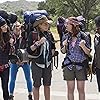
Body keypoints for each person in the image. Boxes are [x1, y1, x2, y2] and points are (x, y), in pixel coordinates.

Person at [61, 17, 91, 100]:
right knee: (70, 90)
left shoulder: (84, 36)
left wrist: (83, 46)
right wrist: (64, 45)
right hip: (68, 66)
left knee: (81, 89)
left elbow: (88, 52)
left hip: (80, 66)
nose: (66, 25)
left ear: (73, 25)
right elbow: (63, 51)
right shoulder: (66, 36)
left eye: (68, 24)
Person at [27, 15, 55, 100]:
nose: (47, 26)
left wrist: (51, 54)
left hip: (48, 64)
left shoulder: (49, 34)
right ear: (39, 25)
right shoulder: (32, 34)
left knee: (47, 85)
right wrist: (38, 43)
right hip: (36, 64)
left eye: (48, 24)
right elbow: (29, 50)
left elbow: (53, 47)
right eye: (45, 24)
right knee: (36, 85)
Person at [9, 21, 33, 100]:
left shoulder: (24, 36)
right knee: (12, 79)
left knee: (28, 78)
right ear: (13, 28)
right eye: (16, 26)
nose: (18, 28)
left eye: (19, 26)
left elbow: (27, 47)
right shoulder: (11, 37)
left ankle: (30, 94)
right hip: (14, 61)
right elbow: (10, 50)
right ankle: (11, 95)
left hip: (24, 60)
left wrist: (24, 59)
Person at [0, 16, 12, 100]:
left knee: (5, 88)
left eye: (6, 25)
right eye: (3, 26)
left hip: (5, 67)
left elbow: (11, 54)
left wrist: (11, 45)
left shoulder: (8, 37)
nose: (6, 27)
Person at [92, 16, 100, 94]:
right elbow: (96, 51)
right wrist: (94, 63)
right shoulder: (96, 37)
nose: (96, 29)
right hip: (98, 67)